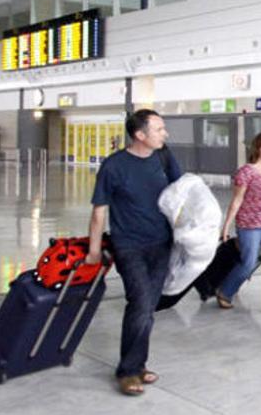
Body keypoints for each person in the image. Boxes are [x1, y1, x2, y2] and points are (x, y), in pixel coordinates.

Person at [84, 109, 182, 396]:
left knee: (148, 308)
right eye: (159, 129)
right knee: (140, 303)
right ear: (140, 135)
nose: (165, 134)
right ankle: (127, 371)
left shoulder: (163, 157)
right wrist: (93, 250)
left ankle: (137, 364)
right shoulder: (114, 166)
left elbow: (184, 191)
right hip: (129, 246)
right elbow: (99, 210)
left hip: (162, 243)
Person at [216, 132, 261, 313]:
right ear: (257, 149)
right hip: (249, 224)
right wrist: (226, 226)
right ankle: (225, 292)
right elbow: (236, 200)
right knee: (248, 262)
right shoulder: (245, 172)